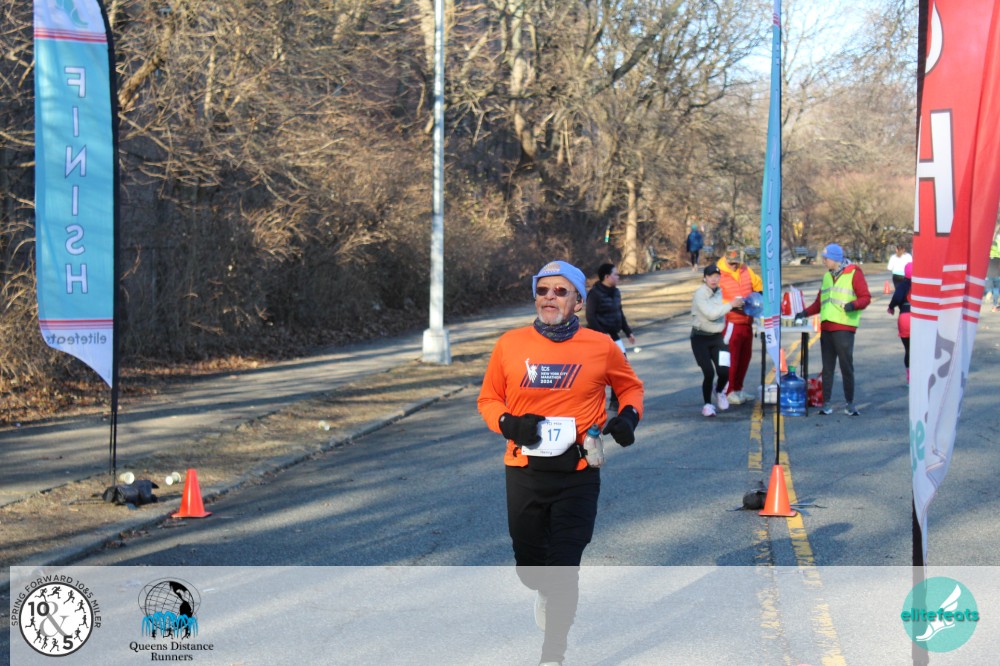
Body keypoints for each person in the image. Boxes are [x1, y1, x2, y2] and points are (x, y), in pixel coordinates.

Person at [478, 259, 644, 666]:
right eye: (542, 290)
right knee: (531, 570)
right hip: (524, 470)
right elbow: (489, 399)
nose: (549, 297)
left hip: (578, 473)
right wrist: (509, 424)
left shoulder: (601, 346)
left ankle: (553, 654)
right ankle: (543, 589)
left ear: (578, 302)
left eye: (560, 291)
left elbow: (630, 389)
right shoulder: (510, 344)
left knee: (565, 566)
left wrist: (628, 418)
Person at [796, 243, 871, 415]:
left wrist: (853, 305)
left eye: (826, 259)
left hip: (844, 327)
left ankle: (850, 404)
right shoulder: (827, 276)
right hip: (827, 328)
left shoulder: (854, 273)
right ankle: (827, 404)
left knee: (846, 367)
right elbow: (819, 302)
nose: (824, 261)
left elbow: (865, 297)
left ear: (836, 259)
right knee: (827, 368)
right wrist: (805, 313)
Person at [691, 265, 743, 416]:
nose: (713, 279)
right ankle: (707, 405)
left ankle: (719, 391)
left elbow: (723, 309)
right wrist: (730, 305)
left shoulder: (720, 292)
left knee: (724, 371)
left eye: (716, 276)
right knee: (709, 372)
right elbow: (711, 314)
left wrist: (739, 305)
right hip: (700, 338)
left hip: (718, 337)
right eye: (710, 276)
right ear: (705, 278)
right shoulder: (700, 294)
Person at [715, 246, 763, 405]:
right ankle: (727, 391)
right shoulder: (718, 274)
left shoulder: (746, 270)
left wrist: (757, 298)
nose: (734, 265)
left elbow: (758, 286)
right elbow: (713, 298)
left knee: (745, 357)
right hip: (730, 321)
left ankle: (738, 388)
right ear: (726, 259)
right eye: (731, 263)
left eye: (736, 262)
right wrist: (731, 304)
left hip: (747, 320)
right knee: (732, 358)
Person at [585, 263, 635, 355]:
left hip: (613, 334)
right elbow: (590, 316)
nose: (618, 277)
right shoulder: (594, 293)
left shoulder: (616, 292)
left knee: (622, 359)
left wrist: (628, 332)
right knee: (604, 361)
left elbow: (619, 313)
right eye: (615, 274)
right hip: (599, 336)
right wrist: (603, 335)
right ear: (607, 277)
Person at [887, 262, 912, 385]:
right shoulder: (922, 285)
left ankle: (909, 377)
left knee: (908, 350)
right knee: (921, 349)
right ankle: (921, 376)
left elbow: (896, 298)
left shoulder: (902, 285)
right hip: (919, 319)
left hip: (905, 318)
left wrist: (891, 307)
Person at [987, 232, 1000, 311]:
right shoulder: (997, 241)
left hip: (990, 261)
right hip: (997, 261)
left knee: (990, 281)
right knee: (996, 286)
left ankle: (989, 291)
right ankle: (995, 304)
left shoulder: (990, 240)